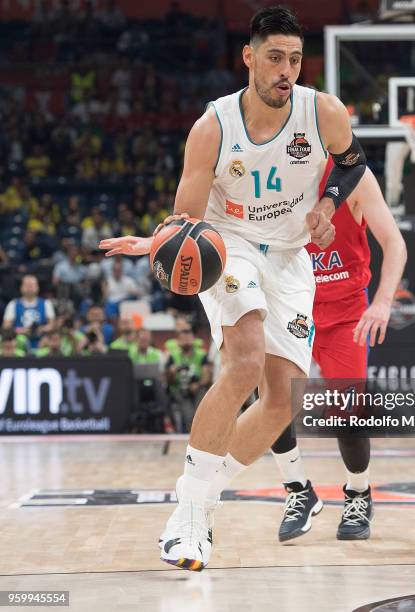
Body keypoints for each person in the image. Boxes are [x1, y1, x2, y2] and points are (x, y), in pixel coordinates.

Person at [100, 6, 368, 571]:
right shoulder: (213, 127)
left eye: (294, 59)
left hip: (293, 258)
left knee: (280, 402)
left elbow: (352, 161)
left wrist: (327, 202)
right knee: (244, 362)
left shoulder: (322, 112)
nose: (285, 70)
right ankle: (191, 521)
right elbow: (188, 221)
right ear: (248, 57)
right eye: (274, 58)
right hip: (231, 247)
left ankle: (198, 496)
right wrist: (157, 244)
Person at [270, 155, 406, 542]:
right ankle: (298, 490)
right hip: (293, 304)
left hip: (346, 311)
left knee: (346, 411)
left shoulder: (355, 178)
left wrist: (382, 302)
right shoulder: (276, 171)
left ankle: (359, 492)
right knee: (271, 401)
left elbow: (394, 244)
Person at [2, 275, 55, 349]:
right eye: (27, 285)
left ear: (38, 287)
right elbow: (6, 327)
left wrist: (40, 329)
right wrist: (20, 331)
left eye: (32, 285)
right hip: (19, 342)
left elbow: (52, 325)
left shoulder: (46, 303)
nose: (29, 287)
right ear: (21, 287)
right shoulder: (13, 304)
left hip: (42, 342)